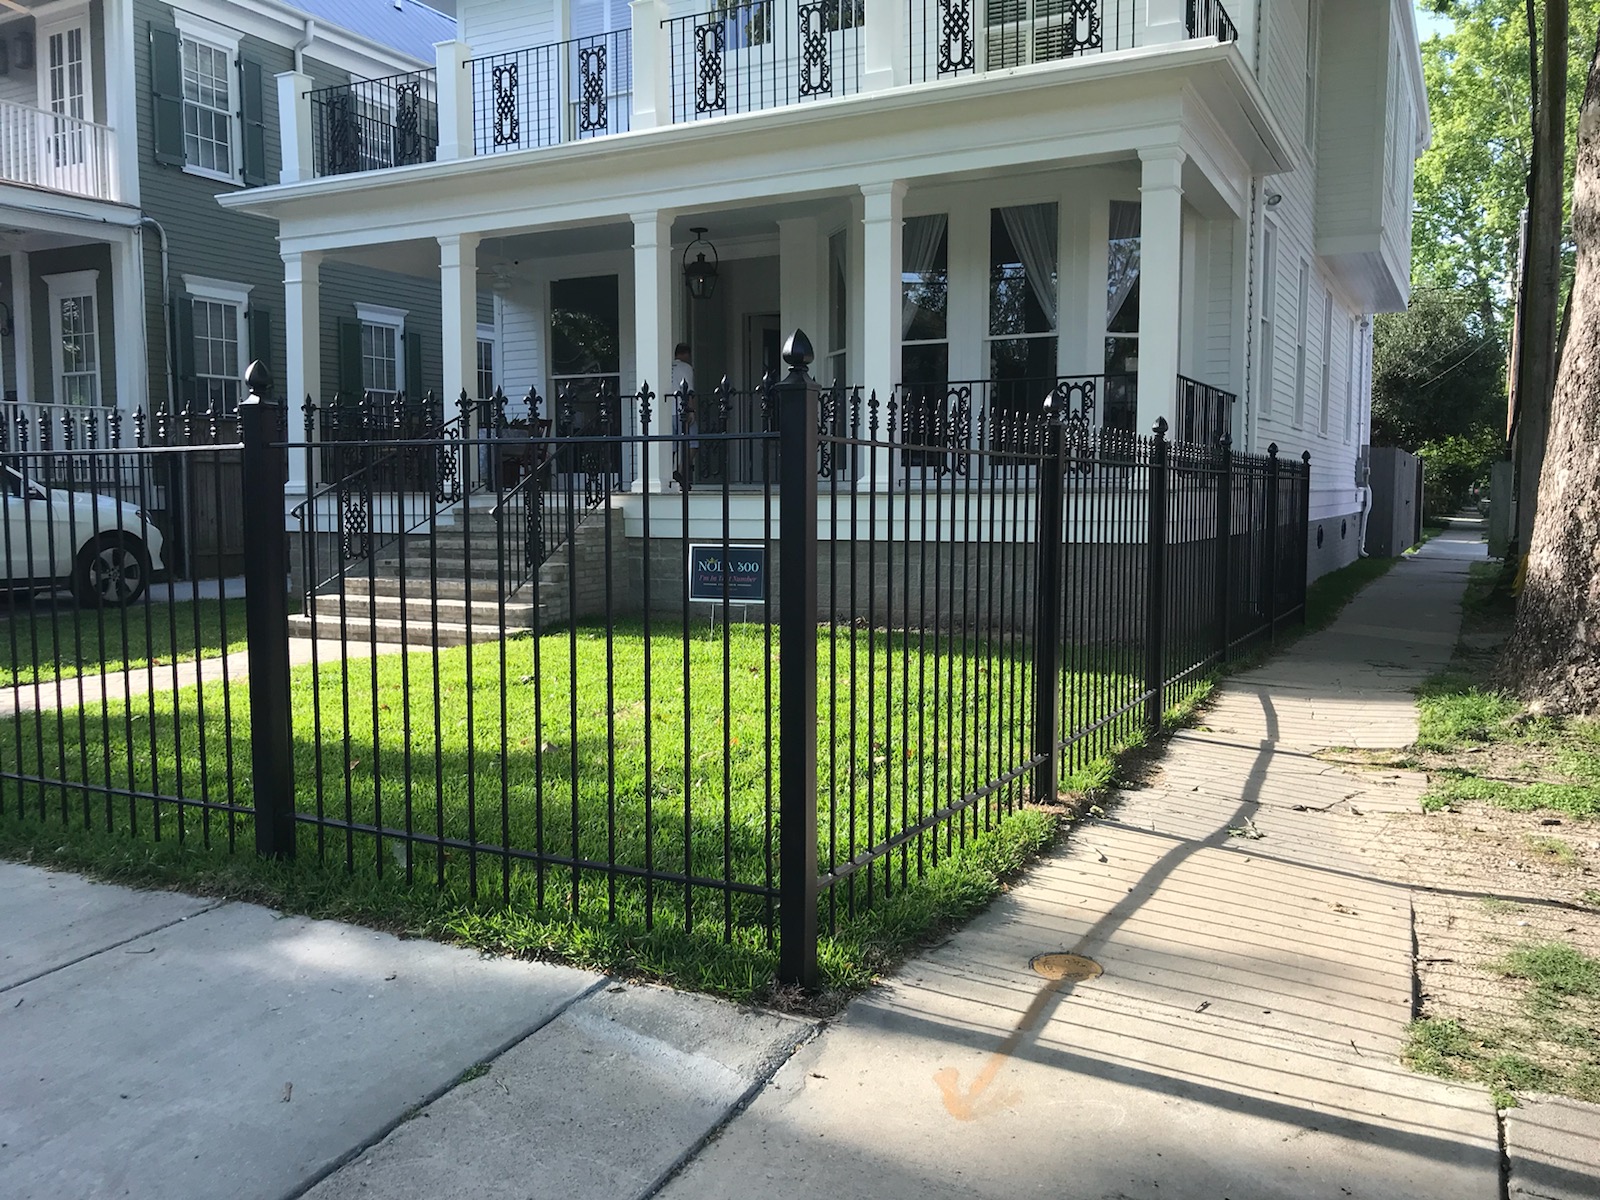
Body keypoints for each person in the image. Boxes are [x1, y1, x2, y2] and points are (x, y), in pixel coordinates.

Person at [670, 342, 697, 489]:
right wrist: (691, 411)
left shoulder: (667, 367)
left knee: (671, 446)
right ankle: (679, 472)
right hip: (682, 410)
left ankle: (669, 472)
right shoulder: (686, 368)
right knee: (693, 443)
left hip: (668, 411)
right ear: (686, 354)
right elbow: (688, 390)